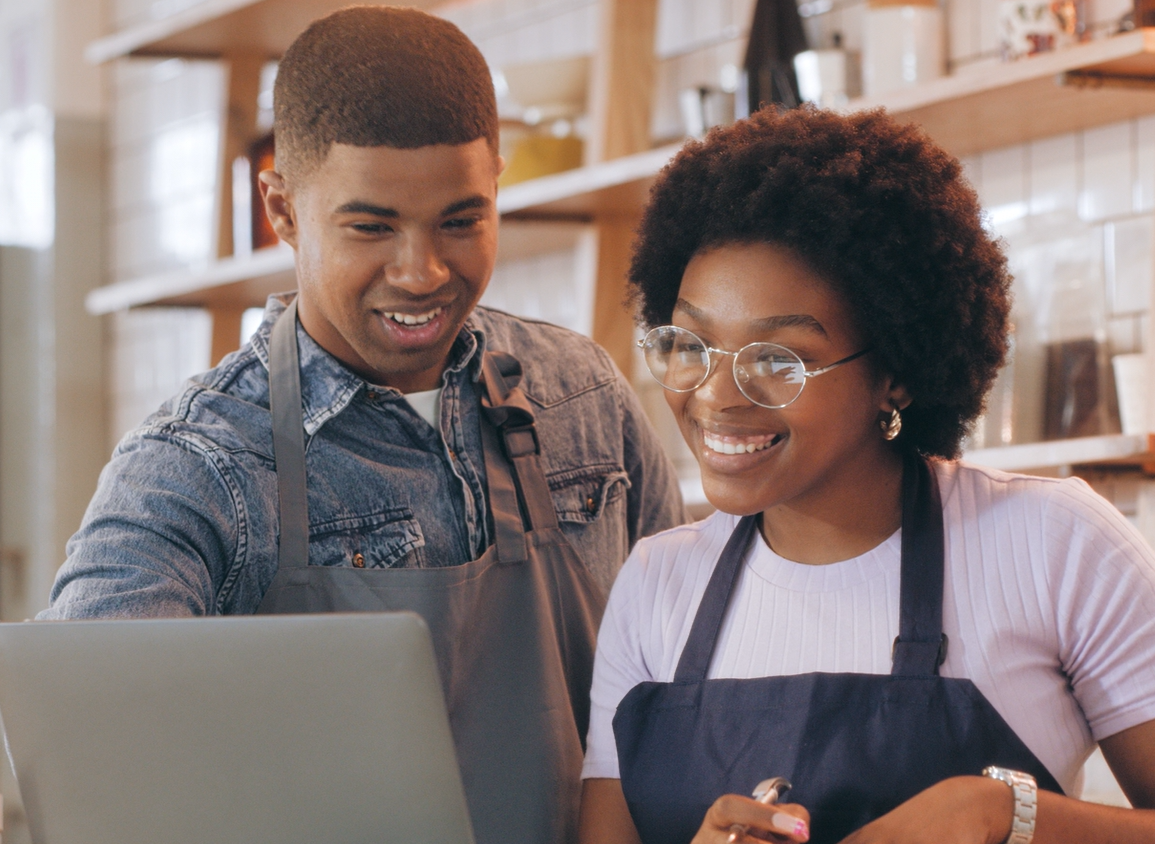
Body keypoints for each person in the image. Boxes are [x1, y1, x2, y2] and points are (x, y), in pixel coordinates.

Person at [41, 7, 684, 844]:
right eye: (370, 227)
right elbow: (95, 759)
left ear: (498, 180)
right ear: (282, 209)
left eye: (461, 219)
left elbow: (685, 685)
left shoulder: (583, 398)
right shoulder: (198, 468)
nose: (422, 272)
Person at [577, 106, 1155, 844]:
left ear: (896, 377)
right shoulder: (656, 582)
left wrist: (1000, 817)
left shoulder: (1052, 545)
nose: (715, 396)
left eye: (776, 359)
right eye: (690, 344)